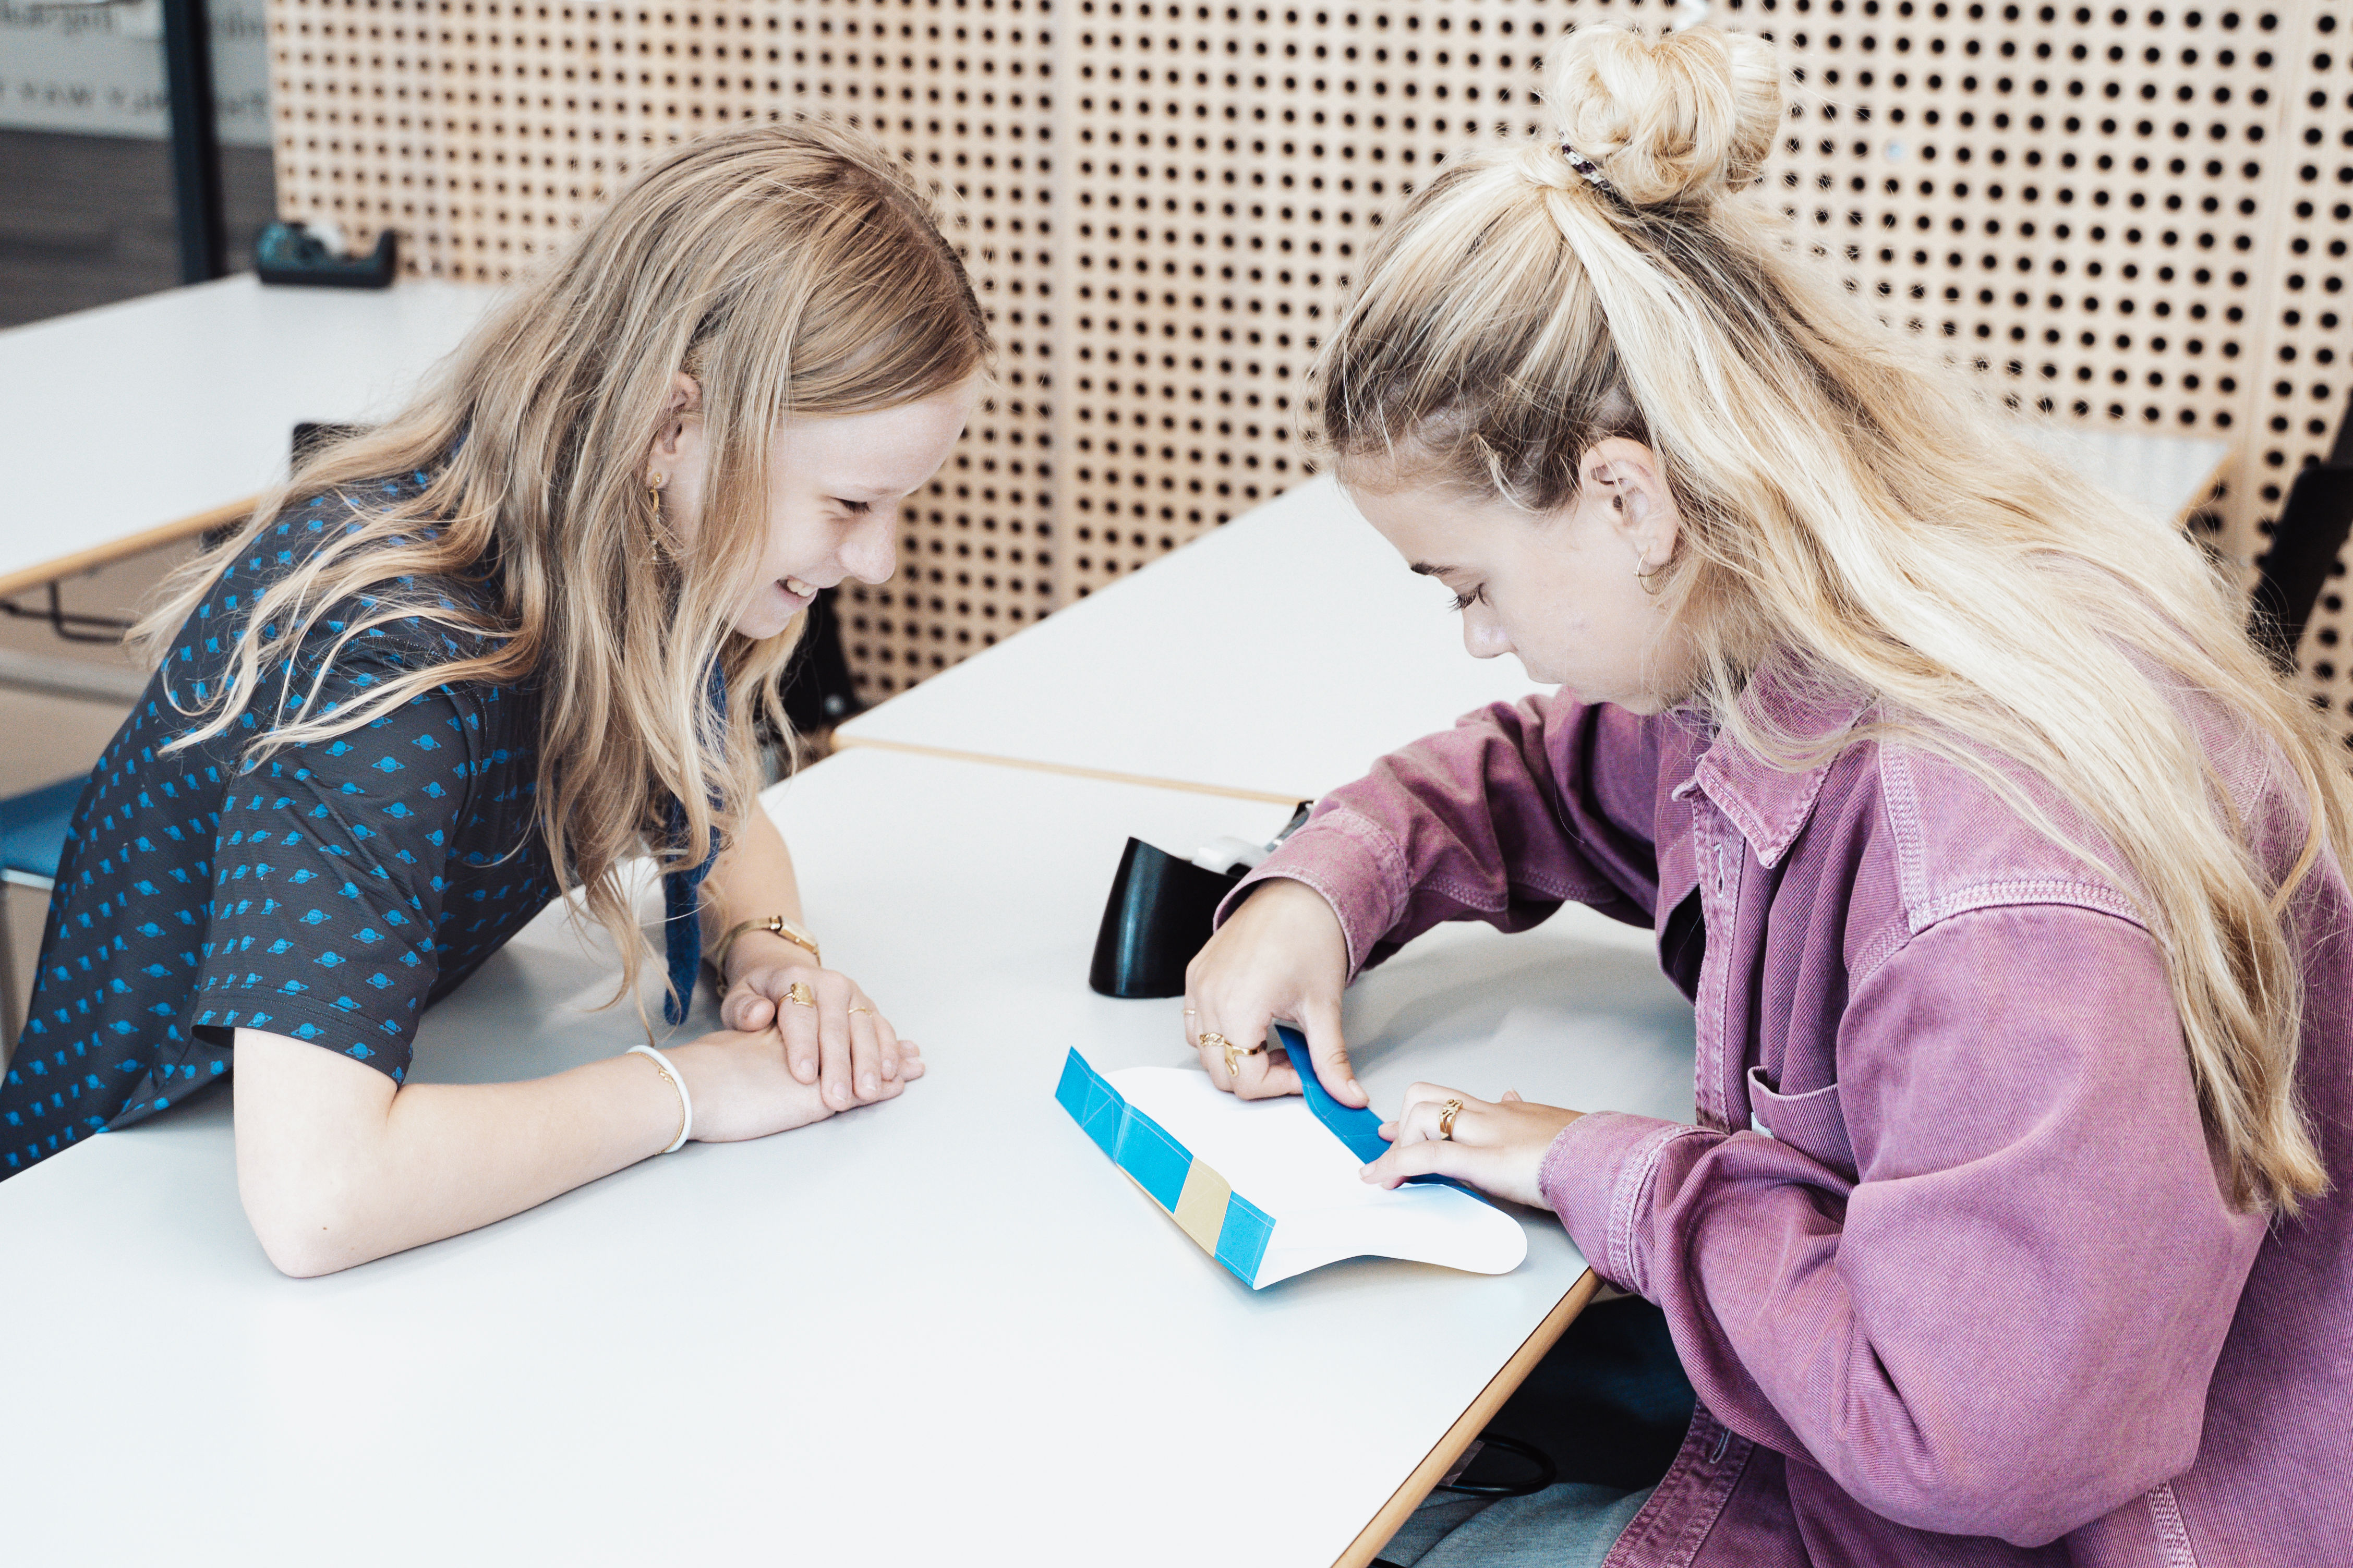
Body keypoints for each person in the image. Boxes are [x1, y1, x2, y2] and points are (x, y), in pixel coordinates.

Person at [1185, 22, 2352, 1567]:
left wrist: (1604, 1164)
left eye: (1471, 586)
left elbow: (1977, 1444)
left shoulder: (1987, 878)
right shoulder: (1803, 643)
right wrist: (1321, 886)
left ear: (1626, 495)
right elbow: (1551, 773)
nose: (1481, 639)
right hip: (1926, 1397)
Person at [0, 120, 988, 1277]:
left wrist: (772, 952)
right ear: (674, 428)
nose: (877, 563)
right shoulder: (385, 650)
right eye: (851, 505)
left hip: (346, 1094)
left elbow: (720, 803)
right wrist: (691, 1091)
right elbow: (318, 1198)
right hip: (98, 1220)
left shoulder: (643, 547)